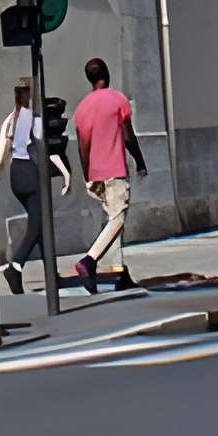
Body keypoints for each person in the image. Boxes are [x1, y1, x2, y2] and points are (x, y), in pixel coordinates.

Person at [0, 82, 69, 292]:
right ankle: (16, 267)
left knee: (40, 224)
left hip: (16, 175)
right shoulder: (35, 119)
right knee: (38, 225)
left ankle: (51, 275)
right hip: (32, 173)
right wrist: (65, 173)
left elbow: (2, 152)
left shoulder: (10, 120)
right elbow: (47, 149)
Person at [68, 57, 146, 295]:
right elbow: (128, 135)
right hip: (115, 171)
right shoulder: (117, 100)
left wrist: (87, 177)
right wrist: (140, 161)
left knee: (112, 221)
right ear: (106, 74)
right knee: (118, 219)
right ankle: (89, 261)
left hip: (96, 173)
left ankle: (119, 272)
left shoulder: (81, 109)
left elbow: (83, 147)